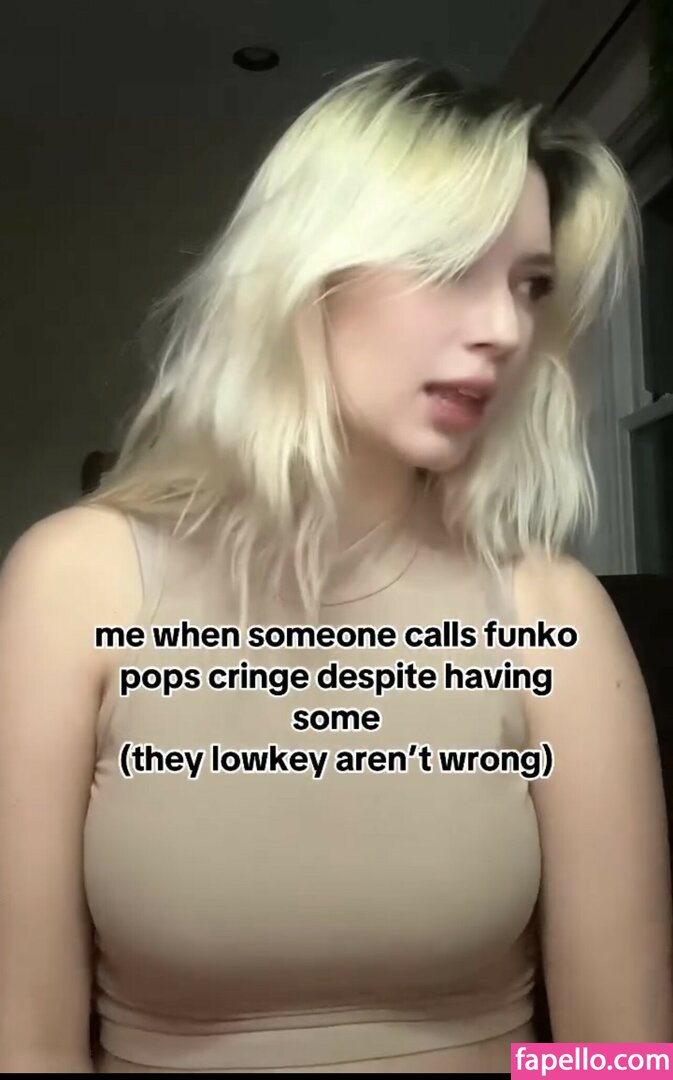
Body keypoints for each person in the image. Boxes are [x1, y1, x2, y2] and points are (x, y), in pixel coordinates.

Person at [1, 58, 671, 1074]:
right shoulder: (75, 582)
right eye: (450, 265)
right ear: (306, 272)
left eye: (529, 287)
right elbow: (31, 1044)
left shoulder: (549, 610)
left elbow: (614, 1053)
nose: (504, 329)